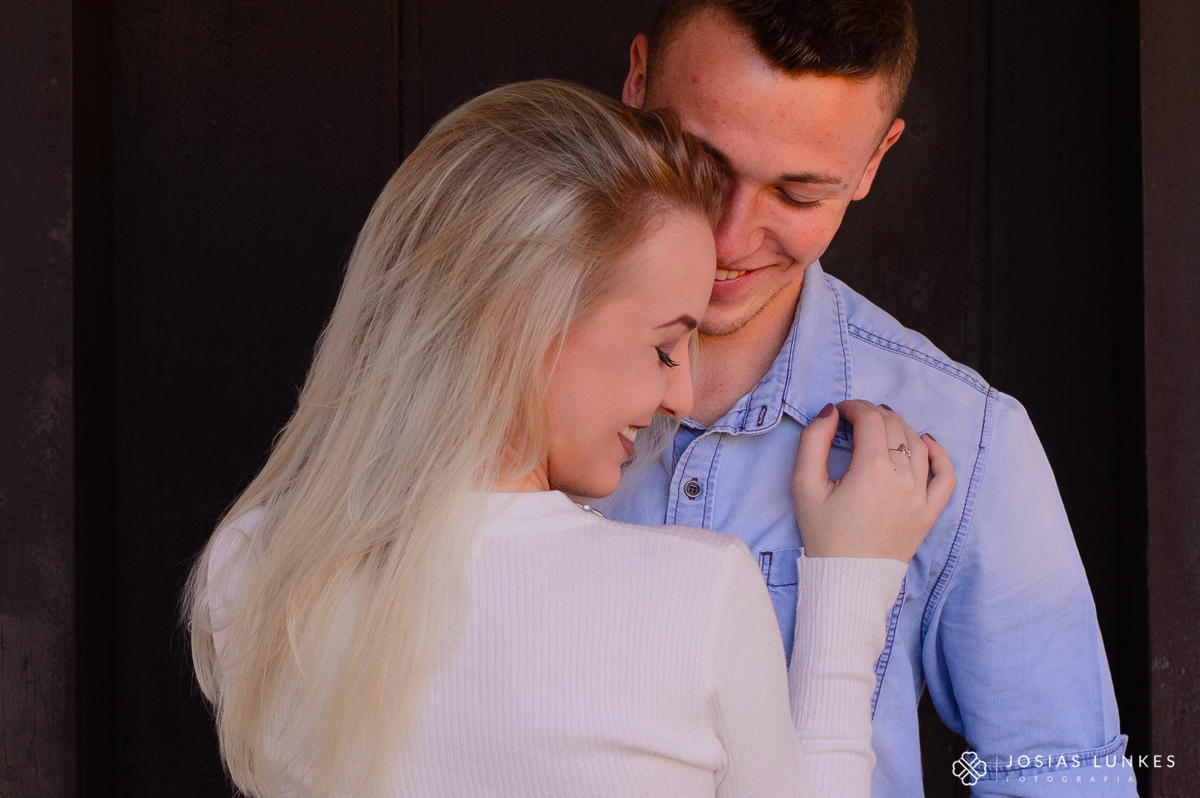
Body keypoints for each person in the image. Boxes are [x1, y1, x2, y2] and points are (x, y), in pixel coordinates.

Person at [186, 80, 954, 798]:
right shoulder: (698, 595)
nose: (679, 396)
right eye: (662, 347)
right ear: (524, 322)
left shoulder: (250, 566)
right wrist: (853, 581)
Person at [600, 1, 1136, 795]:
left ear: (875, 161)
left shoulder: (969, 436)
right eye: (698, 163)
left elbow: (1060, 776)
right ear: (637, 81)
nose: (729, 237)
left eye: (799, 195)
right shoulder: (476, 375)